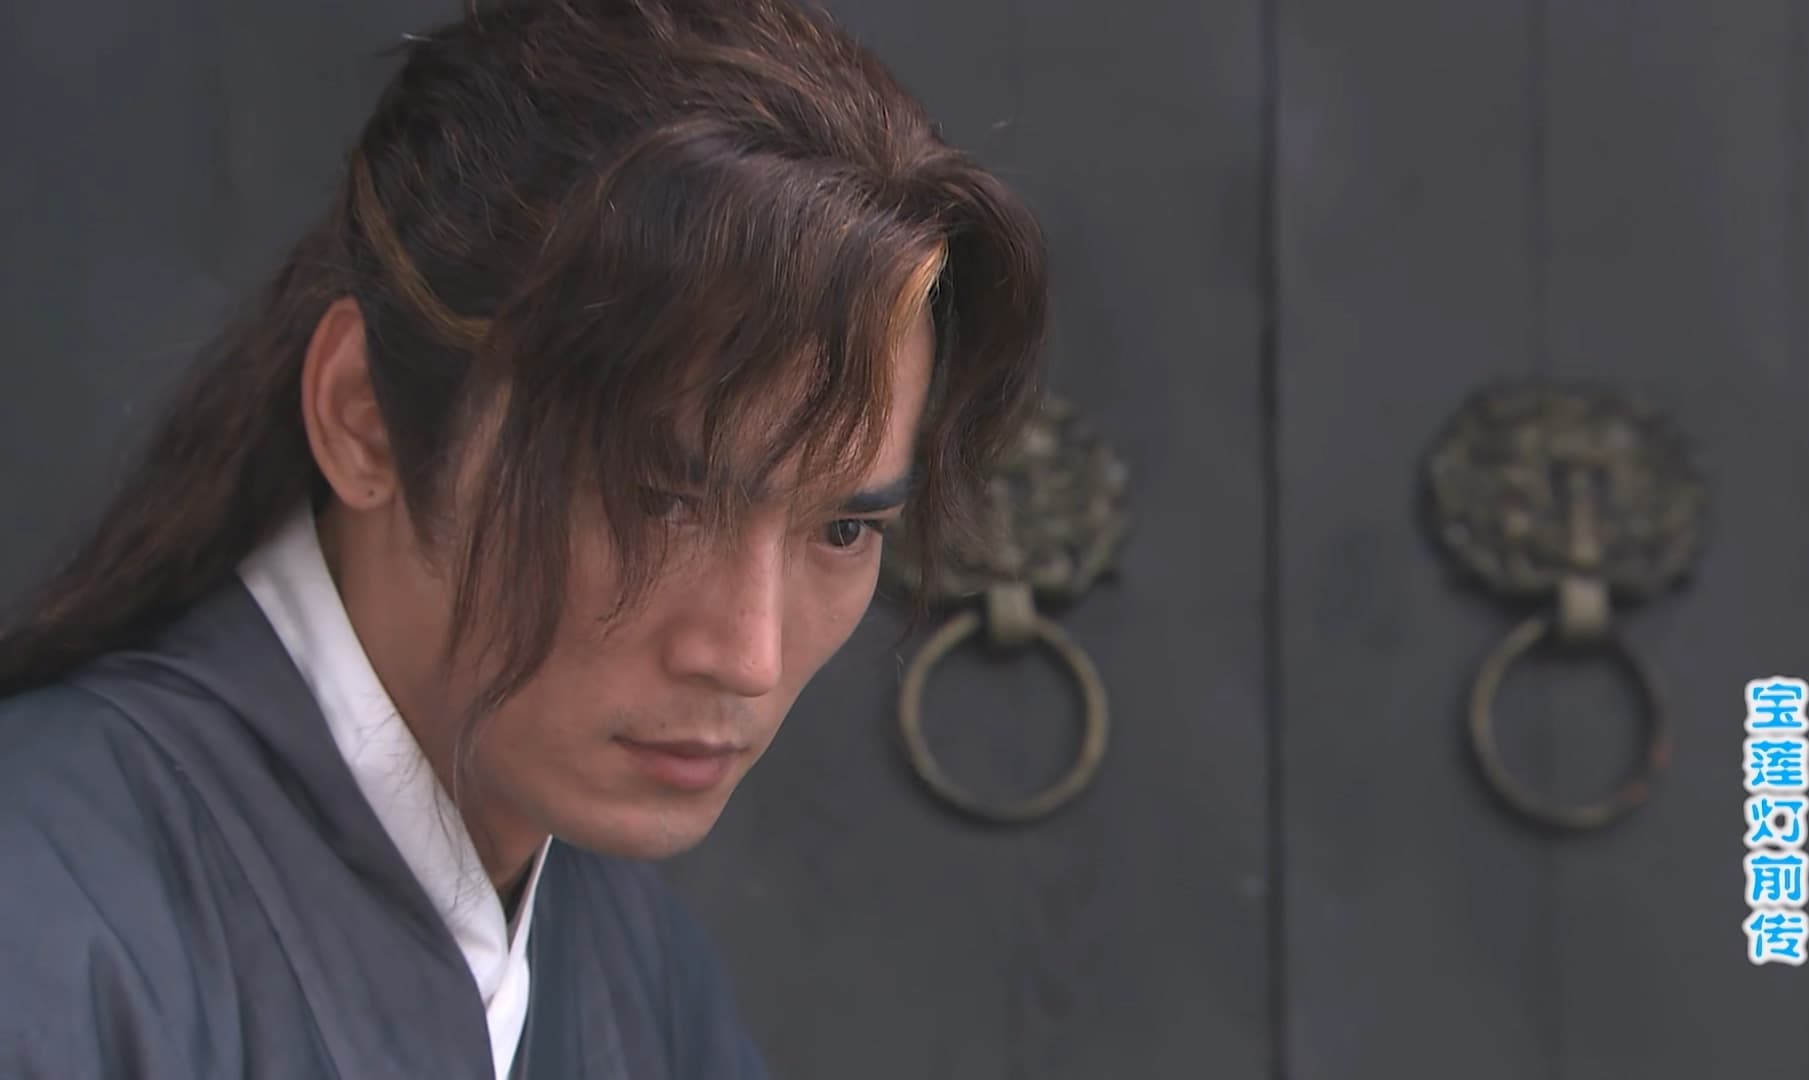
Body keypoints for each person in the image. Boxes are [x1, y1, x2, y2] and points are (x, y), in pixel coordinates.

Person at [0, 0, 1047, 1075]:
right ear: (364, 416)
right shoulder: (44, 922)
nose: (748, 656)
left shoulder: (639, 969)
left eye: (843, 528)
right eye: (655, 501)